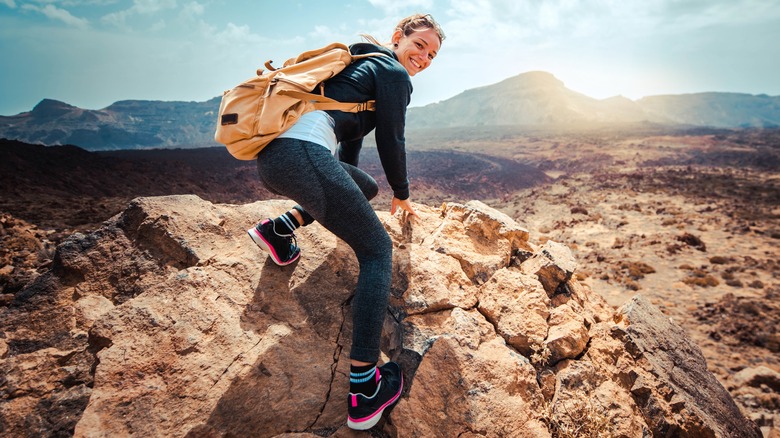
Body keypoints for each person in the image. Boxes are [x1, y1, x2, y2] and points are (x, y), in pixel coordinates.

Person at [246, 13, 445, 430]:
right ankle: (364, 389)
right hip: (302, 154)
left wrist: (352, 192)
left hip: (277, 158)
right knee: (377, 251)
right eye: (420, 45)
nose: (423, 57)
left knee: (363, 188)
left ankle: (277, 230)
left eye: (432, 53)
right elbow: (392, 137)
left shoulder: (362, 65)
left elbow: (350, 147)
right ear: (398, 37)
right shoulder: (392, 71)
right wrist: (403, 193)